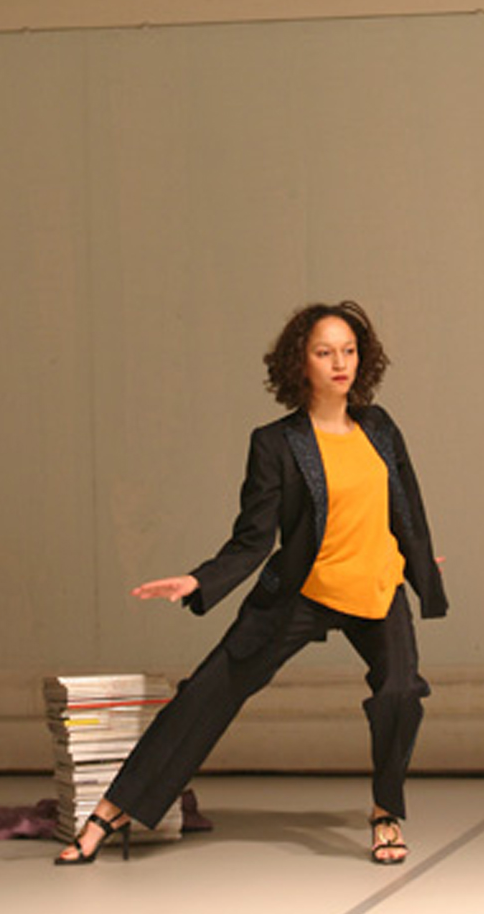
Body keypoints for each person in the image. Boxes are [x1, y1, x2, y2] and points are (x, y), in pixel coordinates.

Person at [55, 301, 449, 867]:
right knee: (209, 690)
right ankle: (112, 811)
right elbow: (253, 538)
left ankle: (386, 812)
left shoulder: (380, 427)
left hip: (376, 587)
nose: (340, 363)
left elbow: (406, 507)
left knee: (401, 693)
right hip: (303, 592)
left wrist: (419, 565)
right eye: (325, 352)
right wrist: (198, 580)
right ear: (300, 363)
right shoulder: (276, 443)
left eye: (349, 350)